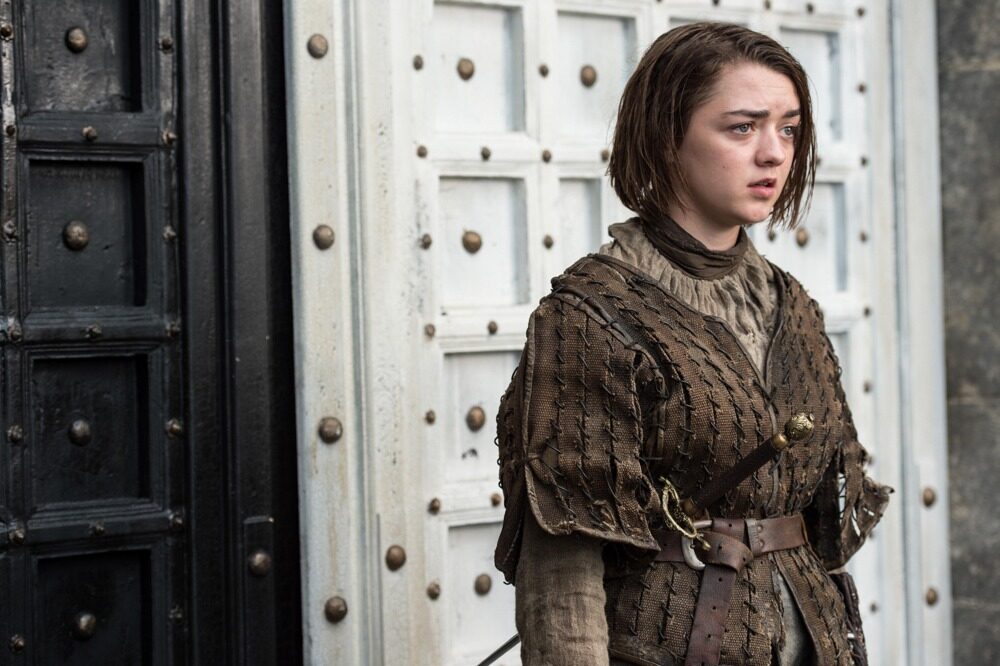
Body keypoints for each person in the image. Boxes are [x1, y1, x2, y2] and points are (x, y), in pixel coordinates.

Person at [493, 22, 892, 666]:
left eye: (789, 129)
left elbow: (825, 523)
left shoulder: (794, 306)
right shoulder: (591, 313)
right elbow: (562, 568)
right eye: (742, 127)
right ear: (666, 138)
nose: (774, 153)